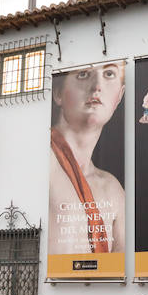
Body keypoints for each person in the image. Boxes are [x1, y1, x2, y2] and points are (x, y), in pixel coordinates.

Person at [48, 62, 126, 256]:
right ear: (58, 93)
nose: (97, 86)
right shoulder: (40, 160)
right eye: (83, 74)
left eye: (109, 74)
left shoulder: (112, 188)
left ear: (119, 97)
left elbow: (121, 268)